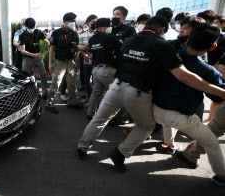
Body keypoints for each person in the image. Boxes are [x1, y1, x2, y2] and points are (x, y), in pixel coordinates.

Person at [76, 15, 225, 174]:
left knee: (100, 118)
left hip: (116, 86)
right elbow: (183, 75)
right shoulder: (163, 46)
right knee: (146, 126)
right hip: (138, 92)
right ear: (162, 30)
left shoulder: (130, 40)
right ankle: (120, 153)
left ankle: (82, 146)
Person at [152, 24, 225, 186]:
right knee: (211, 142)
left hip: (153, 110)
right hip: (181, 117)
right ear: (213, 46)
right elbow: (218, 99)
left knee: (161, 124)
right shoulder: (208, 71)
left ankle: (167, 144)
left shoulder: (171, 56)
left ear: (188, 40)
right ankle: (222, 175)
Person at [78, 18, 122, 120]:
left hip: (96, 70)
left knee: (96, 93)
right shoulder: (109, 38)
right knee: (113, 94)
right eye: (108, 26)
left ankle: (90, 113)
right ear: (102, 28)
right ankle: (107, 116)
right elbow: (121, 47)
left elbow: (91, 50)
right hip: (107, 71)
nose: (110, 28)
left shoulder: (93, 39)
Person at [46, 12, 83, 114]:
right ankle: (49, 104)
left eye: (74, 21)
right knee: (55, 84)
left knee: (72, 84)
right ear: (64, 22)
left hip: (70, 61)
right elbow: (52, 48)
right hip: (59, 62)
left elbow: (76, 47)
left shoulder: (74, 33)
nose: (73, 23)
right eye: (71, 21)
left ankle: (72, 102)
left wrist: (83, 49)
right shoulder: (57, 33)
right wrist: (50, 63)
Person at [19, 18, 50, 100]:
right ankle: (28, 94)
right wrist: (34, 55)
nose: (31, 29)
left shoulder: (38, 32)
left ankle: (45, 92)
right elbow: (22, 51)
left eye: (32, 27)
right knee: (26, 76)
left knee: (43, 74)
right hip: (27, 58)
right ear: (25, 26)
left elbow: (47, 42)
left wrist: (49, 49)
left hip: (38, 58)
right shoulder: (22, 36)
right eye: (29, 27)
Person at [79, 14, 98, 105]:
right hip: (86, 61)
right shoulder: (82, 36)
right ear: (87, 23)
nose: (95, 24)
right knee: (87, 80)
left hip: (97, 62)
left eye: (96, 22)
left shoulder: (99, 35)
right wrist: (85, 55)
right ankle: (89, 98)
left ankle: (95, 100)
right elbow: (80, 48)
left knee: (96, 81)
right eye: (93, 22)